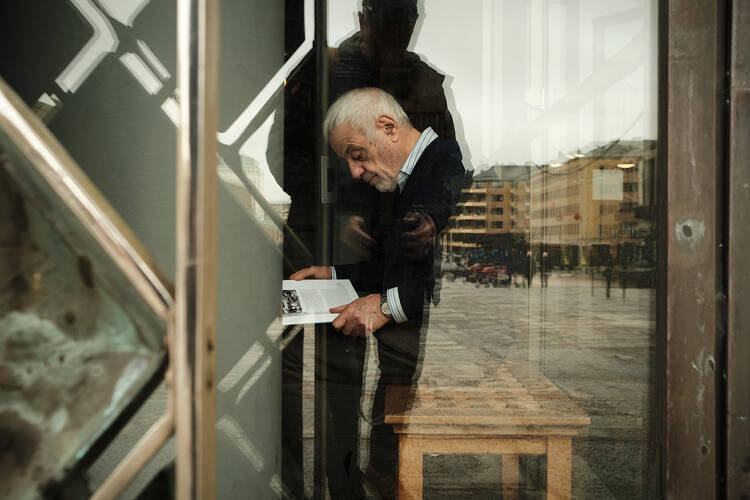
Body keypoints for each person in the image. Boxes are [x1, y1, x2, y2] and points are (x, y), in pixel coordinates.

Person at [291, 87, 464, 498]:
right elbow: (394, 265)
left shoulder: (443, 165)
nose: (354, 172)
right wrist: (334, 272)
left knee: (395, 390)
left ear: (387, 127)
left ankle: (384, 472)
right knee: (392, 389)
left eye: (356, 154)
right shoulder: (413, 176)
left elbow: (438, 270)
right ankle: (382, 471)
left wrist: (385, 305)